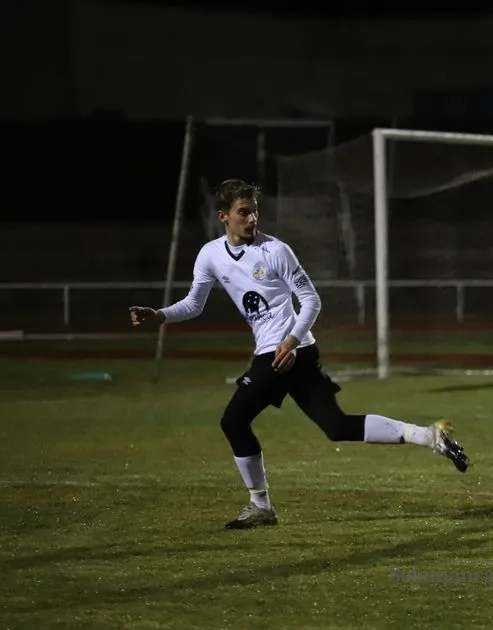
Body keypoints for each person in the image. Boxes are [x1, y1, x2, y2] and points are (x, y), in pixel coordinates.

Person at [129, 179, 470, 530]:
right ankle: (429, 436)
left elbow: (311, 301)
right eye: (243, 213)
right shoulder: (210, 255)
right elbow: (194, 304)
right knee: (336, 426)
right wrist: (159, 315)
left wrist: (290, 341)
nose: (252, 219)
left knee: (233, 421)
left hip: (287, 351)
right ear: (223, 216)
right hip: (289, 352)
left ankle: (260, 506)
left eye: (254, 211)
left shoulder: (276, 250)